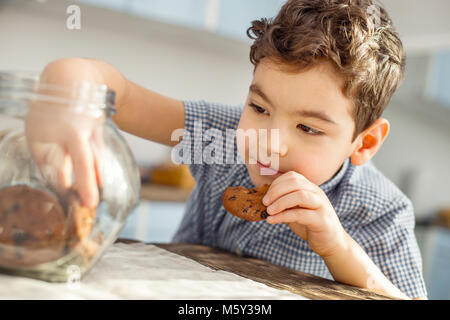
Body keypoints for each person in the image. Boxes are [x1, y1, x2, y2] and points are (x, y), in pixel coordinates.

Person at [26, 0, 427, 299]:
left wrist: (336, 247)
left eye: (307, 127)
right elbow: (120, 93)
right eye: (259, 107)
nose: (269, 141)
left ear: (365, 142)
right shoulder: (219, 136)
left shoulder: (382, 211)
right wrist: (66, 93)